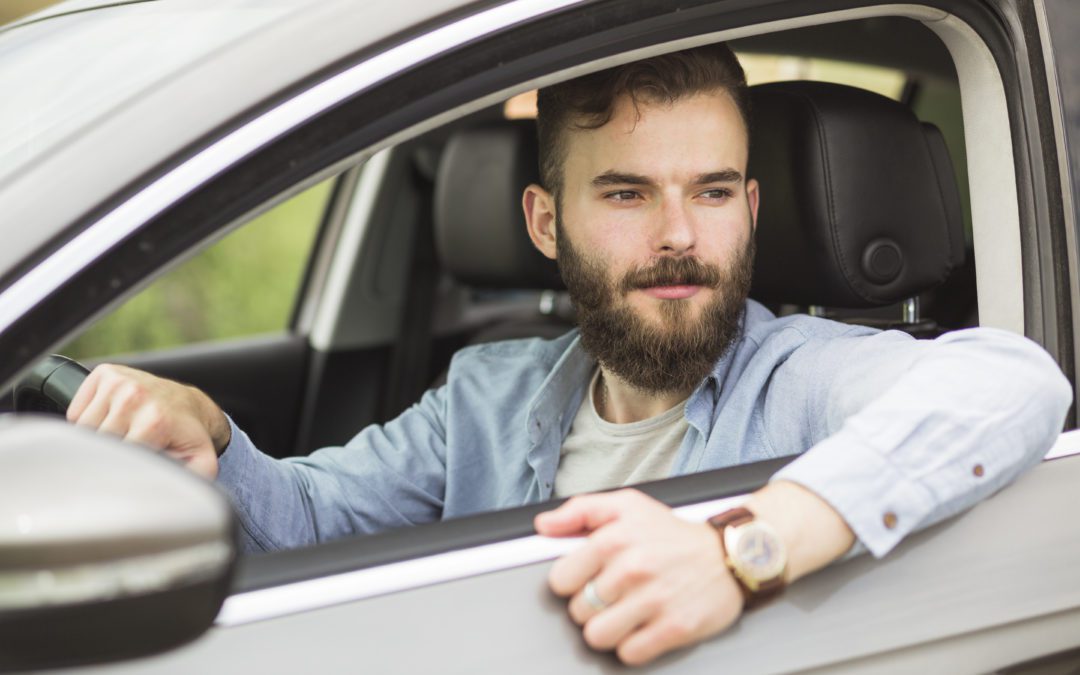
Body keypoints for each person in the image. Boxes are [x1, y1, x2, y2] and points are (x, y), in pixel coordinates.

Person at [67, 44, 1070, 666]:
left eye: (714, 191)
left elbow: (1014, 382)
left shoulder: (799, 375)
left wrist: (740, 553)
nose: (681, 234)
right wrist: (209, 438)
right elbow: (312, 525)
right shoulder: (484, 396)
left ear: (752, 210)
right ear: (546, 221)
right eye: (628, 193)